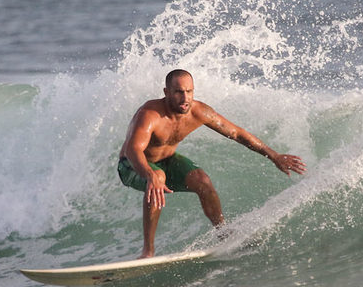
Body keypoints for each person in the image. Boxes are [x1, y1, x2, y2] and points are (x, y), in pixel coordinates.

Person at [117, 69, 306, 258]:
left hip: (166, 160)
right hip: (132, 165)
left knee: (203, 181)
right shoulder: (150, 114)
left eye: (189, 91)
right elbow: (134, 150)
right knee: (158, 176)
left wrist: (274, 156)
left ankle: (223, 233)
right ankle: (148, 250)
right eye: (178, 92)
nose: (185, 98)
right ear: (166, 92)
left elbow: (236, 133)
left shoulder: (198, 111)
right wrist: (149, 174)